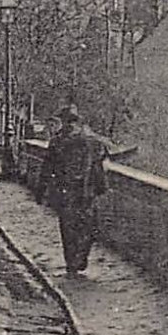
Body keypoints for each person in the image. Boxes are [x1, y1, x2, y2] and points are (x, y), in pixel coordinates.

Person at [41, 104, 109, 277]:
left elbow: (47, 167)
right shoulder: (89, 141)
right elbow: (101, 162)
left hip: (74, 193)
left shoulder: (62, 141)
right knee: (84, 226)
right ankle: (76, 260)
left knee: (74, 227)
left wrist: (43, 190)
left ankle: (74, 261)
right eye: (68, 121)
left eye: (71, 122)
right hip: (82, 193)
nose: (69, 125)